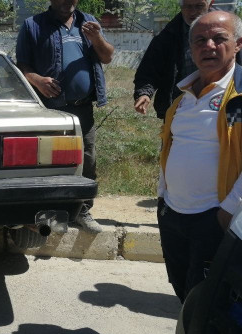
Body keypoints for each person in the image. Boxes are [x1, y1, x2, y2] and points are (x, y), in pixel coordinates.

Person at [158, 10, 242, 305]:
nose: (209, 46)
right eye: (200, 40)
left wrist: (228, 210)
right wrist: (162, 196)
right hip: (173, 212)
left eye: (219, 38)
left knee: (210, 299)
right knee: (182, 287)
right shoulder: (182, 95)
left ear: (238, 44)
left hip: (215, 216)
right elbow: (171, 145)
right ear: (191, 48)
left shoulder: (239, 95)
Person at [15, 0, 114, 233]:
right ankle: (48, 214)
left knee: (86, 161)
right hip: (49, 110)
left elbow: (107, 56)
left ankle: (82, 212)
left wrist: (97, 39)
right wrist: (37, 80)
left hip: (82, 110)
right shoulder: (33, 25)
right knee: (46, 161)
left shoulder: (87, 22)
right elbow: (21, 65)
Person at [133, 0, 211, 118]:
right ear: (181, 7)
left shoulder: (226, 33)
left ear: (210, 5)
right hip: (179, 110)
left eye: (199, 6)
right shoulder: (167, 37)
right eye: (188, 6)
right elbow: (148, 71)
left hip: (217, 108)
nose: (193, 11)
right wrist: (144, 93)